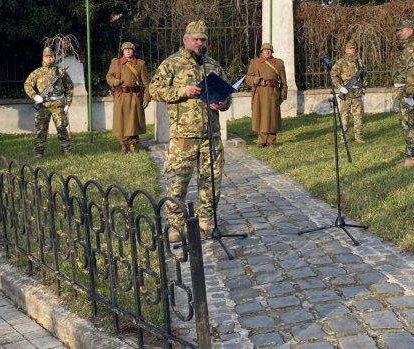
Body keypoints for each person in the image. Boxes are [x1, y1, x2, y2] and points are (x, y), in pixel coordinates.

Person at [149, 20, 231, 242]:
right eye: (195, 39)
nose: (199, 43)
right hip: (183, 135)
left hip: (210, 135)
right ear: (185, 40)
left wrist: (223, 104)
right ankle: (175, 225)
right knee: (178, 181)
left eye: (202, 39)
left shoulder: (213, 65)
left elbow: (227, 97)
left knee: (212, 179)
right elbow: (154, 90)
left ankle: (206, 219)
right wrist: (182, 90)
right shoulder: (171, 64)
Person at [24, 47, 74, 157]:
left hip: (58, 105)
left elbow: (69, 87)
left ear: (54, 57)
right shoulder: (37, 72)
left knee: (61, 127)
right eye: (47, 57)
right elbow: (27, 85)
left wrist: (67, 103)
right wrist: (35, 96)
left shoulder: (60, 72)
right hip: (43, 106)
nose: (49, 58)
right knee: (41, 129)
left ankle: (66, 150)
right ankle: (38, 151)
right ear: (43, 58)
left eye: (51, 56)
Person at [391, 19, 414, 167]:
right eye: (398, 30)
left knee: (412, 124)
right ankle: (409, 155)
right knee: (406, 124)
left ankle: (413, 158)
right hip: (404, 91)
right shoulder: (407, 47)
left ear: (410, 30)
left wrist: (409, 93)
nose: (399, 33)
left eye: (402, 30)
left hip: (410, 92)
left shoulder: (413, 48)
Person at [106, 42, 151, 154]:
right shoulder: (116, 63)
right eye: (125, 49)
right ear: (122, 51)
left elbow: (146, 83)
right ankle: (123, 144)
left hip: (135, 96)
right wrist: (114, 81)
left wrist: (147, 98)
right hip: (121, 96)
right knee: (121, 121)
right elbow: (108, 76)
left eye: (130, 49)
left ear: (133, 51)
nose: (128, 51)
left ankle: (133, 144)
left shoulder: (140, 64)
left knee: (133, 121)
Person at [245, 42, 288, 147]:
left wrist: (282, 96)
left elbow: (284, 82)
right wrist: (255, 79)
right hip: (259, 93)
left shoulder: (278, 63)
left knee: (272, 117)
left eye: (269, 50)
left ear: (272, 52)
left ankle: (271, 140)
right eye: (265, 50)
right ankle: (262, 140)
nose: (267, 52)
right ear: (262, 51)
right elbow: (248, 78)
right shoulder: (255, 62)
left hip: (273, 93)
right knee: (261, 116)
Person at [330, 41, 366, 143]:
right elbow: (333, 74)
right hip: (345, 94)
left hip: (357, 93)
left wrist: (363, 91)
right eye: (350, 48)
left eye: (354, 48)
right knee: (344, 117)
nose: (352, 50)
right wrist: (340, 87)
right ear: (346, 50)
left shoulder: (359, 62)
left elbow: (365, 77)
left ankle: (358, 136)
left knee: (358, 117)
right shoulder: (340, 62)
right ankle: (343, 137)